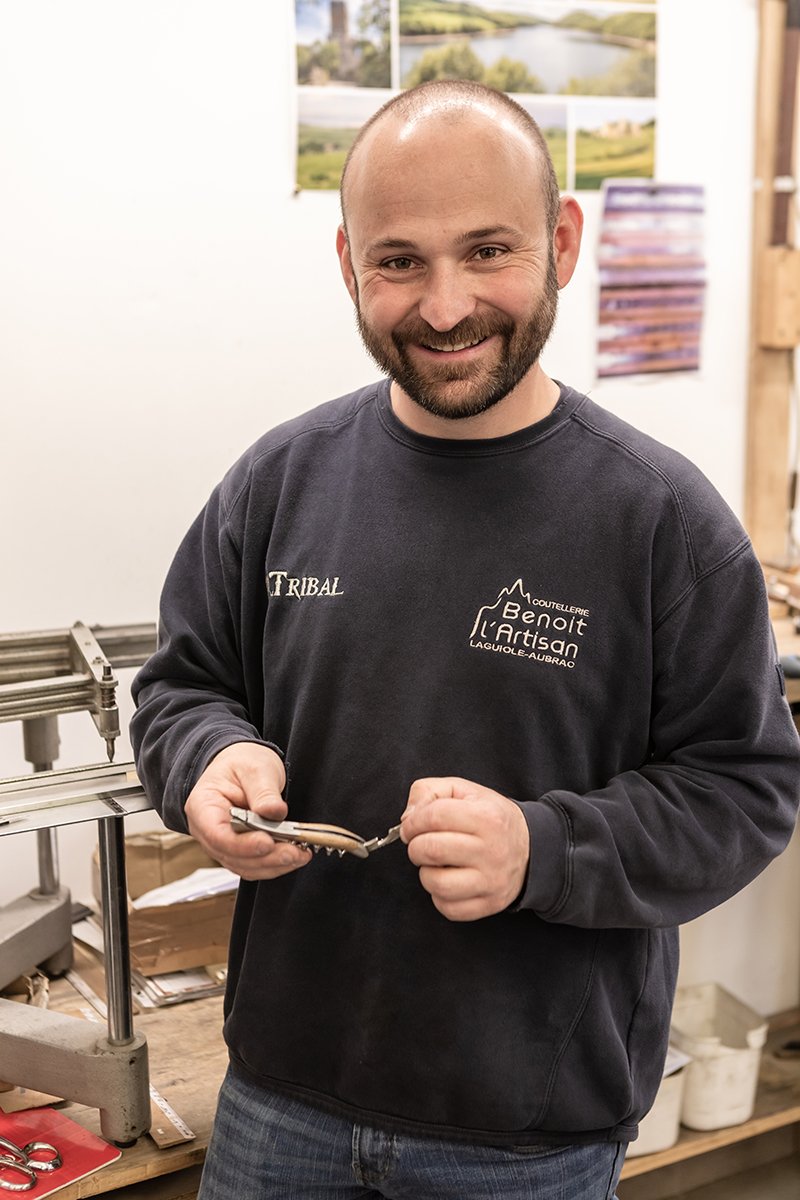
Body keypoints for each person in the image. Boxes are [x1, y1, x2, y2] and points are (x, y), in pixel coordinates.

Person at [131, 80, 800, 1200]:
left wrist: (542, 849)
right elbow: (182, 687)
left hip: (525, 1133)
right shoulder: (277, 484)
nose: (443, 308)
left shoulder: (662, 523)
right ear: (349, 264)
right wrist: (207, 762)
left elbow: (742, 792)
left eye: (486, 250)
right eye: (399, 262)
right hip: (281, 1096)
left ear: (561, 240)